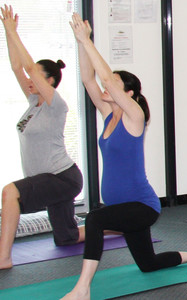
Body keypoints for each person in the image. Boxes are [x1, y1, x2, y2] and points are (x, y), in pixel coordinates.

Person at [61, 13, 187, 300]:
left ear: (127, 93)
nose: (107, 87)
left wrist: (89, 40)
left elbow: (104, 77)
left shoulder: (135, 116)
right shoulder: (108, 116)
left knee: (93, 220)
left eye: (115, 85)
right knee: (149, 264)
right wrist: (80, 42)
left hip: (141, 205)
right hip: (122, 207)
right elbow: (88, 78)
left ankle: (82, 289)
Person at [0, 5, 84, 270]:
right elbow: (17, 66)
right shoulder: (32, 102)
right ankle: (113, 225)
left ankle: (3, 258)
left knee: (9, 192)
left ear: (49, 81)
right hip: (52, 180)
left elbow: (28, 68)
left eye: (35, 76)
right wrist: (7, 31)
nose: (29, 79)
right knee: (66, 239)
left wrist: (15, 33)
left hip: (62, 177)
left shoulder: (55, 105)